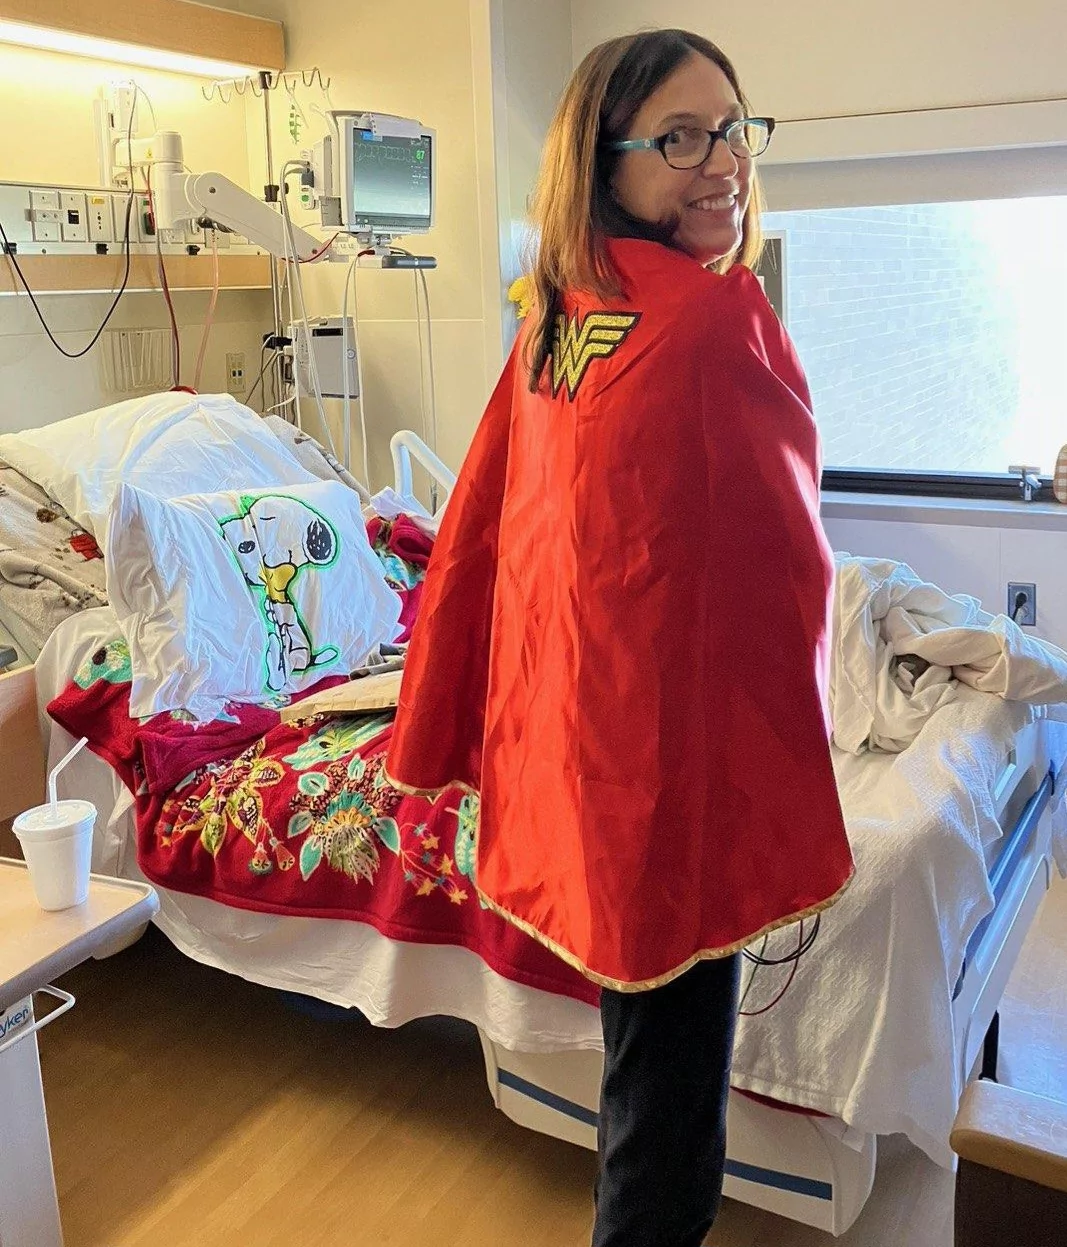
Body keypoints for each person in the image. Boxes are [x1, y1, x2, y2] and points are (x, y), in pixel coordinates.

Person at [386, 27, 854, 1247]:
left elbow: (495, 541)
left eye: (733, 130)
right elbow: (782, 562)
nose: (723, 165)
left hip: (581, 763)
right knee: (668, 1112)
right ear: (606, 163)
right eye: (681, 139)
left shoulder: (558, 321)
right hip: (666, 783)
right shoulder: (705, 317)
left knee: (641, 1078)